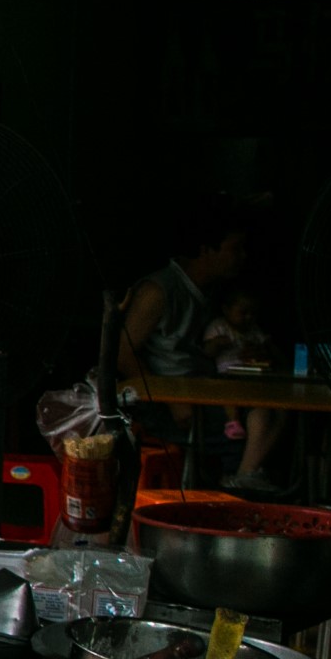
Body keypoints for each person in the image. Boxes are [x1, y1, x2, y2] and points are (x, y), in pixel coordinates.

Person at [117, 206, 284, 492]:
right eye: (235, 248)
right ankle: (236, 491)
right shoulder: (159, 291)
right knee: (246, 428)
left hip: (205, 392)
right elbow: (122, 354)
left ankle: (242, 480)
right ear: (206, 250)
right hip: (166, 405)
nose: (243, 256)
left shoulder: (212, 292)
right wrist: (169, 399)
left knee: (276, 412)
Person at [204, 287, 276, 443]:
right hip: (227, 372)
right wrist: (217, 343)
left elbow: (267, 348)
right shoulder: (219, 326)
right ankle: (233, 421)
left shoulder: (253, 329)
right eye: (243, 312)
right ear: (226, 310)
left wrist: (259, 350)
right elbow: (207, 351)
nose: (248, 317)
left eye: (253, 313)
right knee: (229, 392)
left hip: (252, 371)